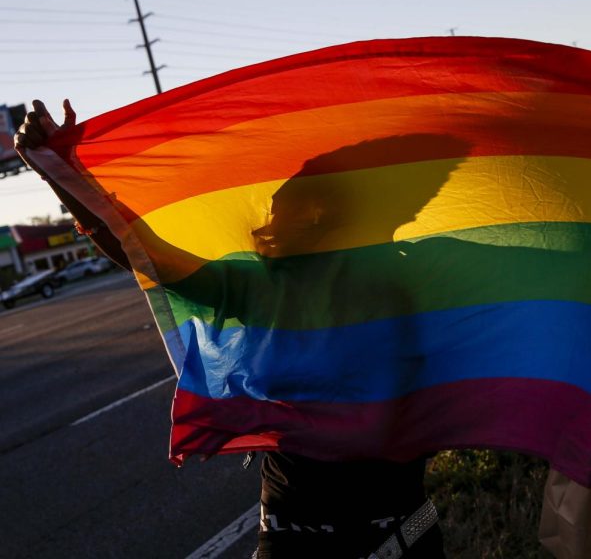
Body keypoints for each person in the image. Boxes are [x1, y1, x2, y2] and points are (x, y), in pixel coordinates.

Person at [14, 102, 447, 558]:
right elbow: (142, 252)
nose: (267, 220)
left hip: (397, 537)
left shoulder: (403, 289)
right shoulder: (257, 286)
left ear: (319, 213)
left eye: (282, 206)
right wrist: (57, 171)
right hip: (291, 536)